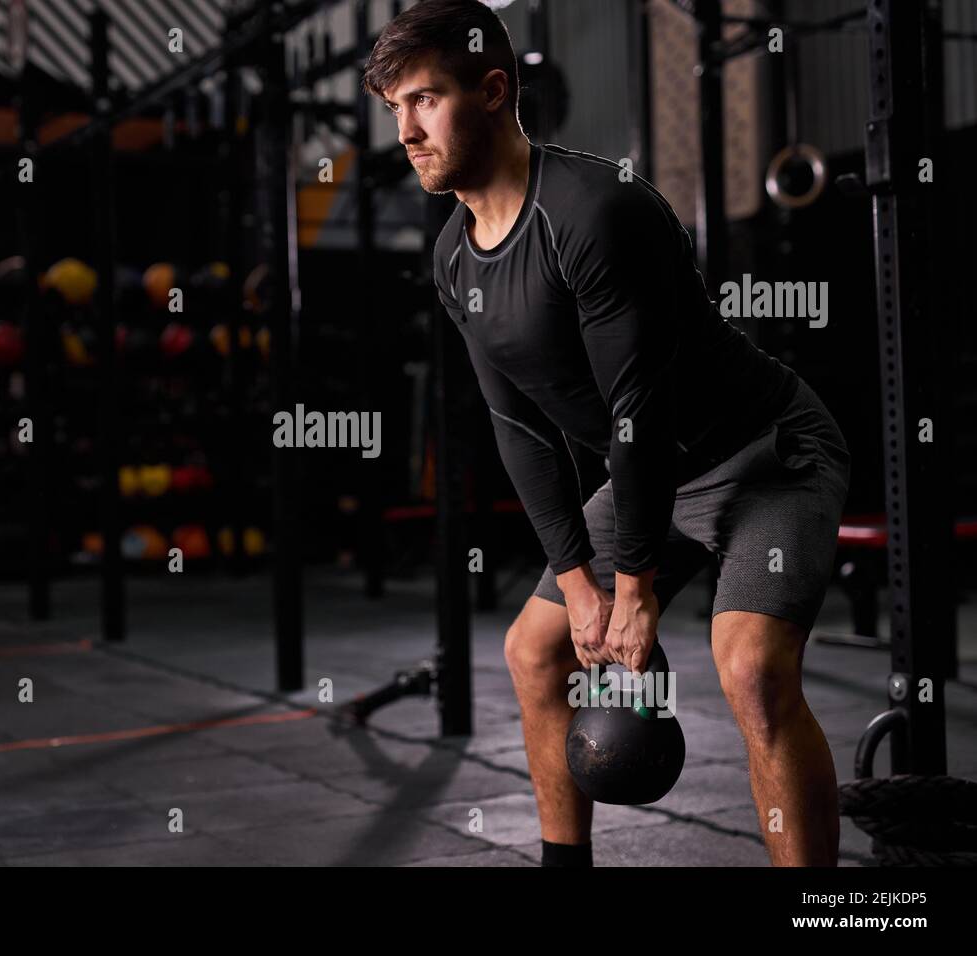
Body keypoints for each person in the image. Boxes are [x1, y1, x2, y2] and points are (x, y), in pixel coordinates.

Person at [363, 0, 851, 867]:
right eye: (393, 107)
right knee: (534, 650)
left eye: (425, 99)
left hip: (766, 453)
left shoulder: (593, 211)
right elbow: (517, 424)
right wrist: (583, 591)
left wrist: (631, 583)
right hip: (654, 479)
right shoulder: (452, 255)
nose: (405, 129)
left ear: (492, 90)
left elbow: (638, 411)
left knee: (750, 672)